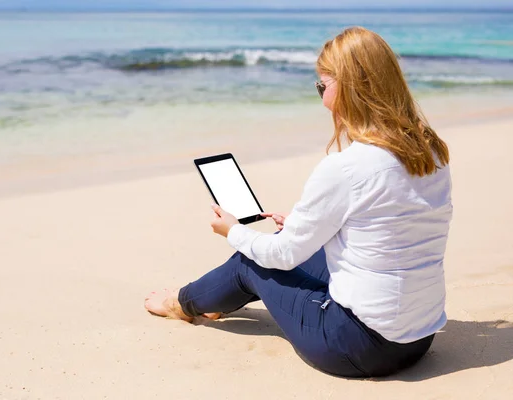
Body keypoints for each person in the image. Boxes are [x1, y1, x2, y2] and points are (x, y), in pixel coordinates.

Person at [144, 26, 452, 378]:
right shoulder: (429, 151)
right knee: (299, 247)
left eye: (323, 86)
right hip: (418, 338)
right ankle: (216, 299)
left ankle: (182, 303)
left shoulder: (347, 167)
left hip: (357, 347)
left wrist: (231, 231)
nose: (321, 99)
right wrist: (303, 224)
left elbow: (282, 256)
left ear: (350, 87)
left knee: (251, 260)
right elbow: (391, 225)